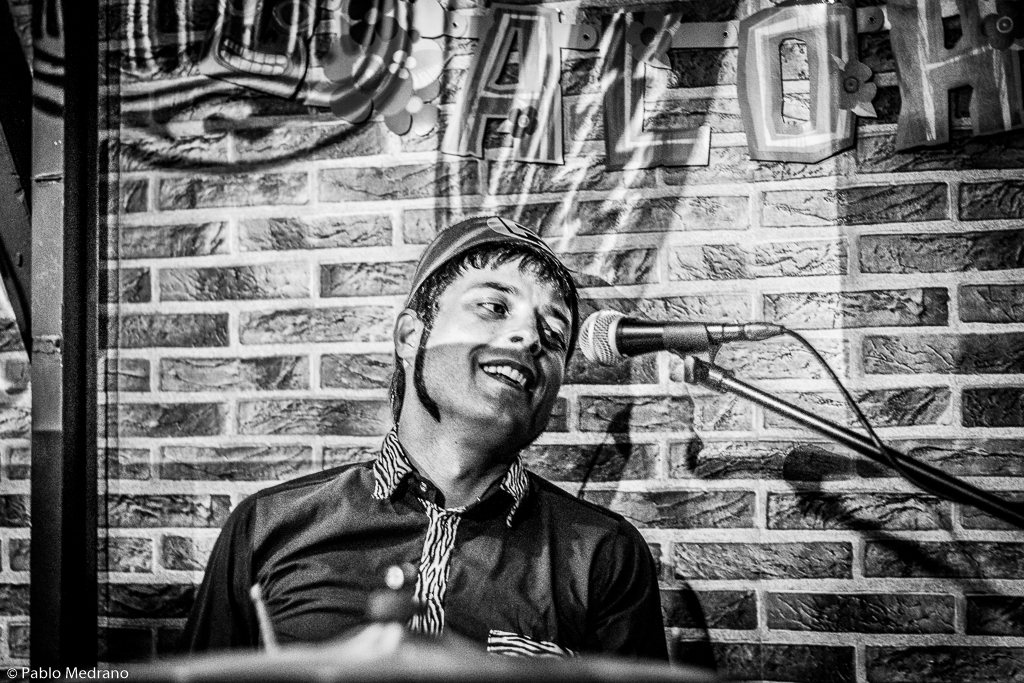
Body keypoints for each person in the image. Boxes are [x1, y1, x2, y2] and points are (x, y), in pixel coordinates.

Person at [180, 216, 668, 660]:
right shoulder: (268, 528)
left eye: (554, 334)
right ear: (410, 336)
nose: (530, 336)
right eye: (494, 306)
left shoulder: (604, 554)